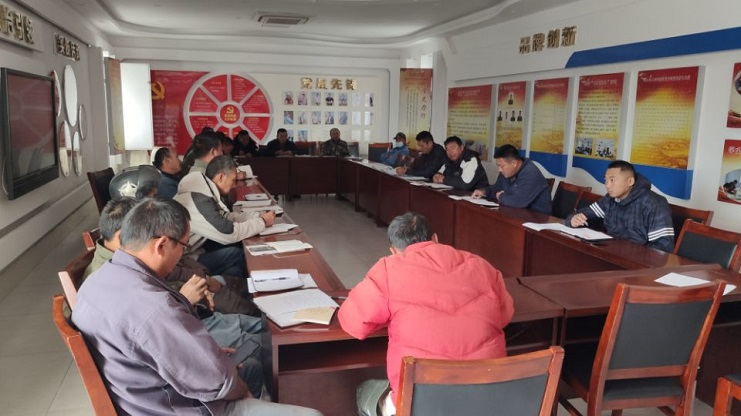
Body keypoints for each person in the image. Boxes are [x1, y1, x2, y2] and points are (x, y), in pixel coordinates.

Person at [72, 198, 322, 416]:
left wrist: (203, 356)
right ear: (161, 245)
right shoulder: (153, 307)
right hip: (178, 407)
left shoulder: (95, 282)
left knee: (251, 367)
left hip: (141, 397)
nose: (183, 254)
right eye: (183, 245)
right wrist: (238, 389)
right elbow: (217, 381)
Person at [338, 212, 514, 416]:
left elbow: (353, 323)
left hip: (422, 403)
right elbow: (505, 315)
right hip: (487, 396)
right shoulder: (482, 265)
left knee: (365, 391)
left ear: (394, 251)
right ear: (435, 238)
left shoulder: (389, 269)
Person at [175, 155, 276, 277]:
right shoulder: (199, 200)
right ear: (221, 177)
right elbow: (229, 233)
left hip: (196, 250)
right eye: (233, 180)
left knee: (235, 269)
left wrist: (256, 216)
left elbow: (225, 217)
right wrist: (262, 222)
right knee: (237, 253)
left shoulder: (203, 192)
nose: (234, 186)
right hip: (183, 261)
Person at [566, 160, 675, 252]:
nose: (607, 185)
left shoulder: (654, 203)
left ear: (630, 181)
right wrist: (573, 219)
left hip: (637, 263)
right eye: (606, 180)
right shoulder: (609, 200)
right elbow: (583, 214)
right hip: (610, 253)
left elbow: (663, 247)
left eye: (612, 180)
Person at [472, 144, 552, 214]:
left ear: (514, 163)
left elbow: (518, 202)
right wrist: (484, 192)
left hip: (537, 218)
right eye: (498, 166)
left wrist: (501, 196)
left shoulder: (530, 173)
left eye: (501, 166)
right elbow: (497, 189)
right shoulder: (506, 172)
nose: (499, 170)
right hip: (515, 213)